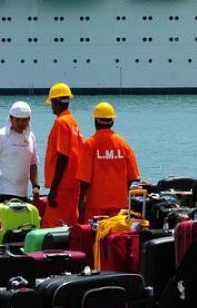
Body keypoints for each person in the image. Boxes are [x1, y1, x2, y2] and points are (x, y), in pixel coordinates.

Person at [76, 102, 140, 223]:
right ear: (112, 121)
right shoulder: (123, 144)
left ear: (95, 121)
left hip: (95, 206)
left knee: (94, 238)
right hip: (119, 206)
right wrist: (122, 192)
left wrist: (80, 200)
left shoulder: (90, 144)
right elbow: (133, 177)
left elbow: (84, 179)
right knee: (115, 239)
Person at [41, 82, 84, 228]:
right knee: (70, 226)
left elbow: (62, 157)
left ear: (55, 101)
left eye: (51, 102)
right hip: (74, 184)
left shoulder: (61, 123)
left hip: (62, 186)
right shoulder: (73, 123)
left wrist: (53, 190)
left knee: (51, 227)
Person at [0, 101, 40, 202]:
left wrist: (35, 186)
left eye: (24, 120)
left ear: (29, 119)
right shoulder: (2, 136)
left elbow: (33, 164)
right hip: (3, 191)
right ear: (11, 118)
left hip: (23, 193)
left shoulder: (31, 137)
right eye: (17, 120)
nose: (20, 123)